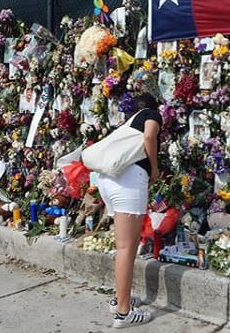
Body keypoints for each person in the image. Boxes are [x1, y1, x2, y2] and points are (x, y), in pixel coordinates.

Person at [96, 93, 160, 328]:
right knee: (127, 248)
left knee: (124, 246)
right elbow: (150, 135)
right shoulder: (149, 115)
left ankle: (119, 299)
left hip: (109, 182)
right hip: (129, 183)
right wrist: (154, 168)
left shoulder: (127, 123)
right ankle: (123, 313)